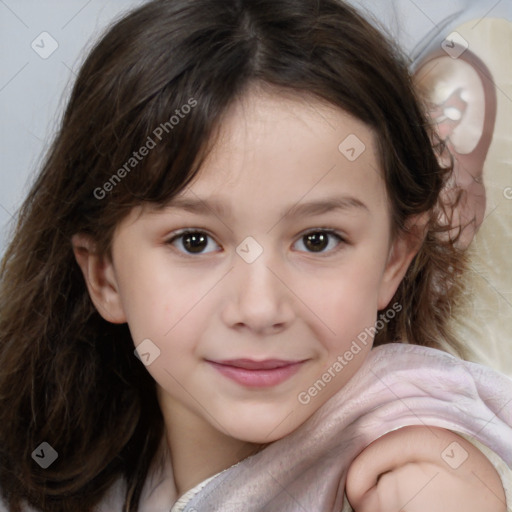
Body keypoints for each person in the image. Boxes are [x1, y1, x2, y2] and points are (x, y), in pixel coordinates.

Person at [0, 0, 510, 511]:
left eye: (318, 240)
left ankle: (451, 187)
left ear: (395, 260)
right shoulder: (63, 464)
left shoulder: (423, 485)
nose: (260, 308)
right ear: (105, 276)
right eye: (194, 241)